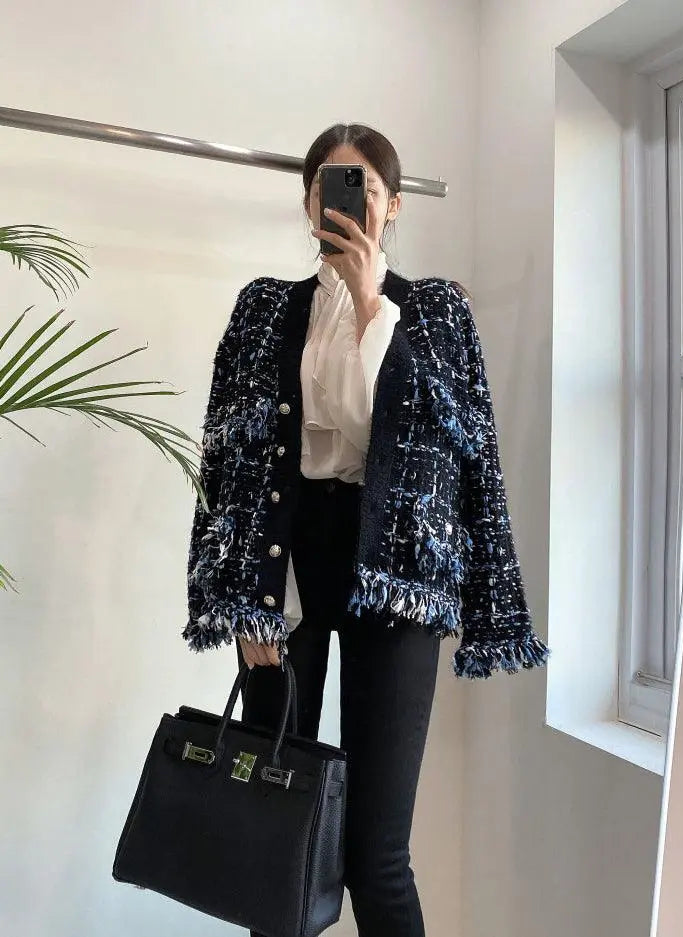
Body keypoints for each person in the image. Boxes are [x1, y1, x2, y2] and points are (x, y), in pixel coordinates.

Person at [185, 122, 550, 937]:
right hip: (285, 565)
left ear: (393, 207)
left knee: (376, 855)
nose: (345, 203)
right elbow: (228, 463)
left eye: (366, 189)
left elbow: (448, 447)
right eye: (327, 188)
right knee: (276, 832)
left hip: (398, 570)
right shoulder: (263, 309)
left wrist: (370, 304)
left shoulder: (435, 310)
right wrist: (250, 601)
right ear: (308, 204)